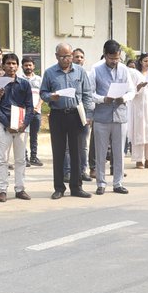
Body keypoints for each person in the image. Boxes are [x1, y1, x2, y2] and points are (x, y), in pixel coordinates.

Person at [41, 42, 94, 199]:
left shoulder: (80, 72)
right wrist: (51, 96)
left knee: (76, 151)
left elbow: (87, 94)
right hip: (57, 115)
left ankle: (76, 187)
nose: (67, 59)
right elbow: (43, 92)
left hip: (75, 114)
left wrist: (88, 114)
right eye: (63, 56)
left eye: (69, 56)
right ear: (57, 56)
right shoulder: (50, 73)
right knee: (58, 152)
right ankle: (59, 187)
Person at [91, 39, 134, 195]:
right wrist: (103, 99)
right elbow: (90, 93)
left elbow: (131, 90)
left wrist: (125, 98)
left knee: (119, 152)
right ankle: (101, 183)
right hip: (102, 116)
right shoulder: (95, 69)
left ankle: (118, 183)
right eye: (111, 58)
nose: (114, 61)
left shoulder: (124, 69)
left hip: (120, 115)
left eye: (117, 58)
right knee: (101, 152)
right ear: (105, 55)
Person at [0, 53, 33, 202]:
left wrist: (25, 123)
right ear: (3, 65)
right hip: (5, 127)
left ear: (18, 66)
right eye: (8, 63)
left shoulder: (24, 84)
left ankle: (20, 189)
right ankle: (2, 190)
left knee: (21, 159)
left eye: (14, 64)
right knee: (3, 159)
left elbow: (29, 106)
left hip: (22, 126)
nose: (11, 66)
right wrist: (7, 123)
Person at [63, 47, 94, 182]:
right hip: (67, 112)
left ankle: (83, 171)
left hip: (82, 113)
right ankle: (67, 172)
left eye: (81, 57)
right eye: (76, 57)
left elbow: (88, 95)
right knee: (68, 146)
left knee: (83, 145)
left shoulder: (84, 73)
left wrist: (89, 115)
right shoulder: (63, 73)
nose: (79, 59)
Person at [129, 52, 148, 169]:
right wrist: (139, 86)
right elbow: (131, 90)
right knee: (140, 132)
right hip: (139, 107)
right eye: (145, 61)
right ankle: (138, 160)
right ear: (141, 62)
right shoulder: (135, 74)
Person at [19, 55, 43, 166]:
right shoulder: (19, 79)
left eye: (30, 65)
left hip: (36, 112)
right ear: (22, 66)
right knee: (23, 135)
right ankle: (25, 158)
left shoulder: (39, 79)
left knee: (34, 135)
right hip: (24, 112)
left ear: (34, 66)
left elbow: (43, 95)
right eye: (26, 65)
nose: (28, 67)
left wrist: (38, 106)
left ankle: (34, 157)